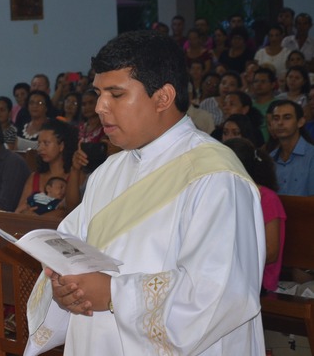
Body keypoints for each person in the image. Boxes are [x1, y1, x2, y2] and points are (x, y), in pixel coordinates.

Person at [25, 30, 265, 355]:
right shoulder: (109, 171)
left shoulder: (215, 177)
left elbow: (222, 293)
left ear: (163, 97)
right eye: (98, 93)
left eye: (116, 94)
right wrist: (62, 288)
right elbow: (69, 248)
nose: (99, 107)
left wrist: (113, 294)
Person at [225, 138, 286, 293]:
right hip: (231, 275)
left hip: (258, 280)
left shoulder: (267, 198)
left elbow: (271, 253)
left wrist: (229, 259)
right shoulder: (225, 195)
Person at [15, 119, 78, 216]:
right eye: (39, 143)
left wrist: (38, 219)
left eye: (46, 143)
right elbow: (19, 211)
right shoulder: (34, 177)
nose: (40, 148)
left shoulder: (75, 175)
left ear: (61, 146)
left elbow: (72, 213)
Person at [268, 100, 314, 196]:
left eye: (287, 117)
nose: (280, 123)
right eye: (276, 118)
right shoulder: (270, 158)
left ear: (300, 122)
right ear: (271, 124)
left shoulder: (311, 156)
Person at [254, 24, 290, 90]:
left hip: (281, 87)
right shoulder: (260, 53)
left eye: (277, 35)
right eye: (271, 35)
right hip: (262, 87)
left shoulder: (287, 53)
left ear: (282, 36)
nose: (274, 38)